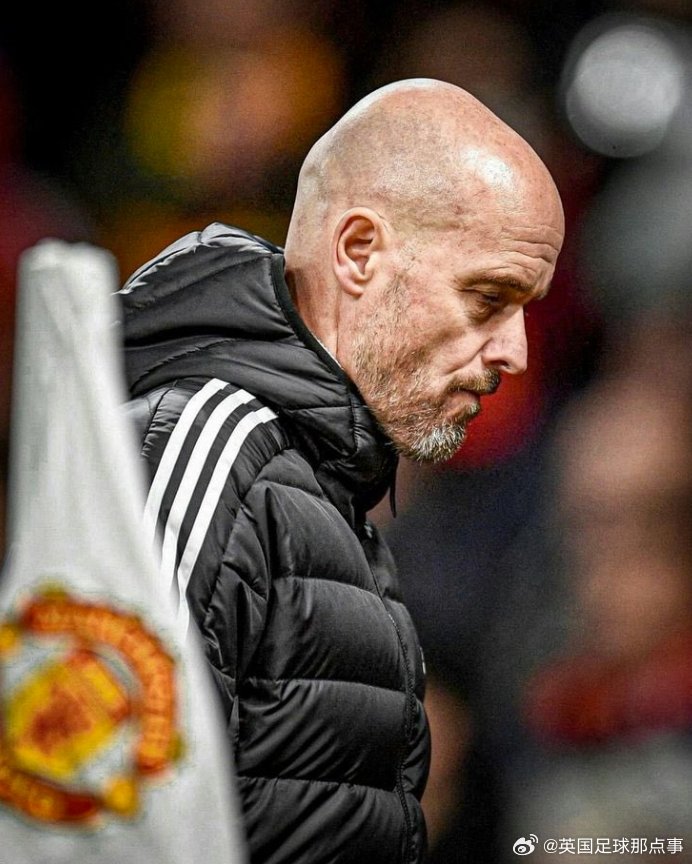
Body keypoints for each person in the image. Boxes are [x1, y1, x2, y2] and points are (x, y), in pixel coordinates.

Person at [118, 78, 564, 864]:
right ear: (359, 252)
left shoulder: (323, 487)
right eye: (488, 297)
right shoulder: (207, 443)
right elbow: (109, 816)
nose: (515, 353)